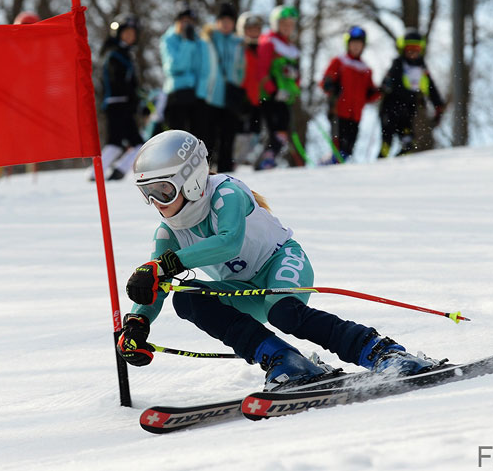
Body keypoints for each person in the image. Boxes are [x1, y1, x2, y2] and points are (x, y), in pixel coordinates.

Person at [116, 129, 437, 391]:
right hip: (243, 289)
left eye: (163, 191)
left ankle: (381, 351)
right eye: (148, 194)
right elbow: (156, 283)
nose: (157, 203)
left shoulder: (225, 193)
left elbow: (227, 243)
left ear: (192, 180)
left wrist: (165, 266)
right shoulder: (167, 234)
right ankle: (283, 359)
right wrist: (137, 323)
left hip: (281, 263)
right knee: (186, 299)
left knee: (284, 312)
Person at [378, 29, 445, 158]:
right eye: (410, 49)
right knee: (387, 142)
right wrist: (386, 86)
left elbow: (430, 87)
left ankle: (399, 167)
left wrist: (438, 105)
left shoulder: (421, 68)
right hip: (390, 110)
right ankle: (379, 165)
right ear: (403, 49)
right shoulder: (398, 64)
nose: (413, 53)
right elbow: (386, 83)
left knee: (408, 143)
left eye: (416, 49)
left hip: (407, 112)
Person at [320, 26, 381, 162]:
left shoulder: (365, 69)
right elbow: (325, 81)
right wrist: (329, 85)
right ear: (347, 44)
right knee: (339, 146)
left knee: (349, 147)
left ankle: (337, 167)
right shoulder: (340, 61)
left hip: (356, 114)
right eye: (353, 44)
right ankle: (329, 165)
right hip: (339, 110)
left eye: (359, 44)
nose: (356, 47)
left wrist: (380, 91)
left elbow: (369, 94)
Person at [98, 13, 145, 181]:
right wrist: (130, 96)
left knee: (128, 143)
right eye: (126, 33)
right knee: (119, 143)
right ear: (117, 33)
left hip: (124, 104)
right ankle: (95, 173)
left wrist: (137, 98)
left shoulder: (126, 55)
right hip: (117, 104)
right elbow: (114, 82)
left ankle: (117, 170)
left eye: (132, 33)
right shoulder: (114, 55)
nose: (129, 36)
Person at [200, 0, 245, 173]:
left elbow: (241, 67)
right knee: (208, 138)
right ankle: (205, 171)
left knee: (228, 138)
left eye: (229, 20)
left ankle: (226, 172)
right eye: (222, 20)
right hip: (210, 96)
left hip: (231, 96)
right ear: (217, 21)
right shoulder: (208, 39)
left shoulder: (238, 42)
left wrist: (239, 85)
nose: (226, 24)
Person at [255, 5, 301, 170]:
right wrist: (273, 90)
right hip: (270, 96)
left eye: (290, 24)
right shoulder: (268, 42)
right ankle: (263, 160)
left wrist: (295, 86)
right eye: (283, 24)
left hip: (285, 96)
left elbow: (296, 75)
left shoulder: (292, 49)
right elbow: (261, 70)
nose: (287, 28)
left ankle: (270, 159)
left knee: (283, 131)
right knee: (274, 130)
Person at [160, 3, 208, 138]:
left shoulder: (200, 42)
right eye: (184, 21)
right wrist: (187, 43)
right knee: (177, 137)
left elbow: (204, 69)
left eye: (190, 22)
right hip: (177, 94)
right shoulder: (168, 40)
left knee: (199, 136)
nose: (187, 25)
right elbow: (173, 67)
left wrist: (201, 93)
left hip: (197, 94)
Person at [233, 11, 264, 165]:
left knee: (255, 132)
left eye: (256, 29)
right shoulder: (238, 48)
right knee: (240, 133)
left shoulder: (261, 49)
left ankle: (248, 161)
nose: (253, 33)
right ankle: (236, 161)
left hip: (256, 98)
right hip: (242, 96)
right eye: (249, 29)